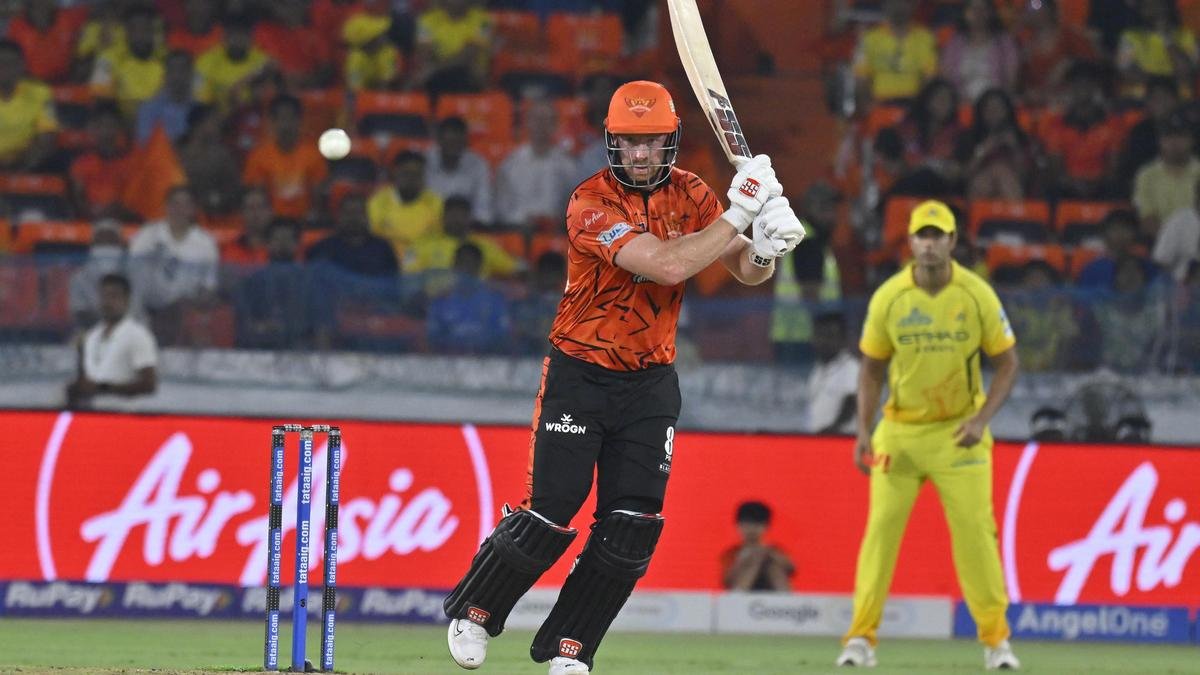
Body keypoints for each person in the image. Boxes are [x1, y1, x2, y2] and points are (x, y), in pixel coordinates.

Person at [441, 80, 805, 675]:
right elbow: (667, 265)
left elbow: (742, 268)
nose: (640, 153)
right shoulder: (589, 203)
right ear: (611, 141)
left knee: (632, 525)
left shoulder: (692, 193)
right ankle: (476, 609)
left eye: (652, 141)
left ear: (670, 142)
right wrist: (741, 211)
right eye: (630, 142)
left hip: (650, 380)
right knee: (552, 509)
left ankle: (571, 648)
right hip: (580, 373)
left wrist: (765, 246)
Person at [837, 200, 1020, 670]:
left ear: (953, 241)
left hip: (959, 435)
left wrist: (981, 420)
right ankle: (860, 640)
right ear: (911, 242)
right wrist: (863, 430)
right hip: (899, 434)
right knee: (880, 534)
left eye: (939, 235)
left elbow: (1008, 364)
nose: (930, 244)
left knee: (976, 536)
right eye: (922, 235)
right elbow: (871, 371)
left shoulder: (977, 295)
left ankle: (997, 642)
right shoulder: (889, 297)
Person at [65, 273, 158, 409]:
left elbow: (149, 385)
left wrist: (104, 388)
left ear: (126, 300)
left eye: (114, 296)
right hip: (94, 414)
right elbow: (88, 381)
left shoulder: (138, 336)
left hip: (125, 415)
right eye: (104, 296)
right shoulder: (92, 337)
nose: (107, 302)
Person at [719, 501, 795, 591]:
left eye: (757, 525)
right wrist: (746, 561)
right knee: (753, 562)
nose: (752, 529)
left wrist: (769, 555)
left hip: (771, 590)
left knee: (773, 566)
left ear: (766, 526)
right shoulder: (732, 552)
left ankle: (784, 597)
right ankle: (739, 595)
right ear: (738, 525)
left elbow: (791, 569)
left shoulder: (774, 549)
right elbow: (726, 581)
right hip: (742, 590)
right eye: (747, 524)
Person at [807, 311, 860, 434]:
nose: (824, 341)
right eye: (820, 335)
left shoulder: (852, 367)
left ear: (843, 339)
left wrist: (833, 430)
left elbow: (852, 403)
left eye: (830, 336)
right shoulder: (819, 368)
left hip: (841, 438)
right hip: (816, 437)